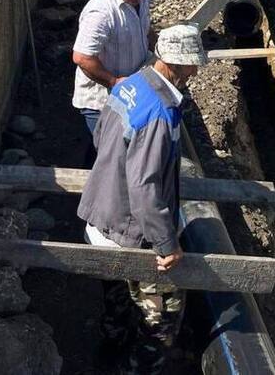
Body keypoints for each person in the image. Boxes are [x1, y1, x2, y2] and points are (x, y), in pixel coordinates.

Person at [78, 24, 207, 374]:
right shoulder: (159, 113)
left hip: (100, 221)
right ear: (174, 64)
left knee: (117, 300)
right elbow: (145, 186)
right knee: (162, 317)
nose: (195, 71)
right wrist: (167, 244)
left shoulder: (131, 85)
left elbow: (101, 138)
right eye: (191, 64)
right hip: (130, 234)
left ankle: (110, 351)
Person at [72, 0, 153, 137]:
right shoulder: (101, 12)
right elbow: (82, 57)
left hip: (130, 94)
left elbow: (145, 28)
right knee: (107, 154)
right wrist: (113, 82)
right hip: (102, 101)